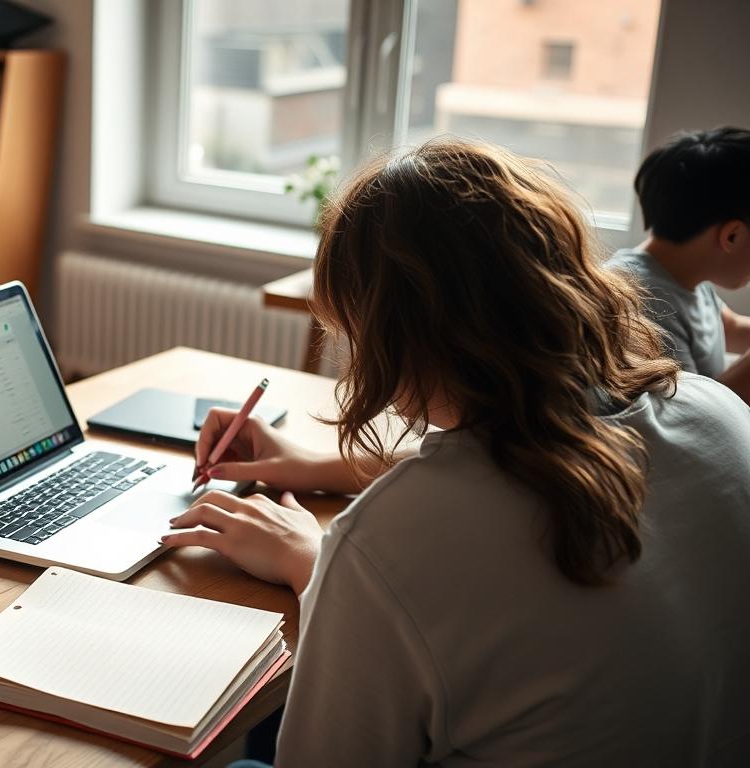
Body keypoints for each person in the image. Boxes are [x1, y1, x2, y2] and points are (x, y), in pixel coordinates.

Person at [164, 139, 750, 766]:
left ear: (388, 336)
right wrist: (313, 482)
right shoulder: (718, 410)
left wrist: (321, 567)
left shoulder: (387, 538)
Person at [609, 126, 750, 402]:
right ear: (732, 235)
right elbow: (693, 412)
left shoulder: (684, 275)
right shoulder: (645, 302)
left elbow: (728, 328)